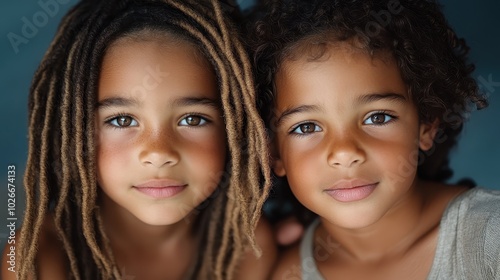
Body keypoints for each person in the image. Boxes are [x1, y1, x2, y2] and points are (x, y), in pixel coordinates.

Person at [1, 0, 277, 279]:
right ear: (73, 132)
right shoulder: (35, 261)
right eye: (122, 120)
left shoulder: (249, 247)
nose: (158, 152)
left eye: (192, 119)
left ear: (238, 128)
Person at [249, 0, 500, 279]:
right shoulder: (286, 273)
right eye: (306, 127)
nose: (344, 152)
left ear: (426, 127)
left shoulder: (491, 237)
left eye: (377, 118)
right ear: (274, 153)